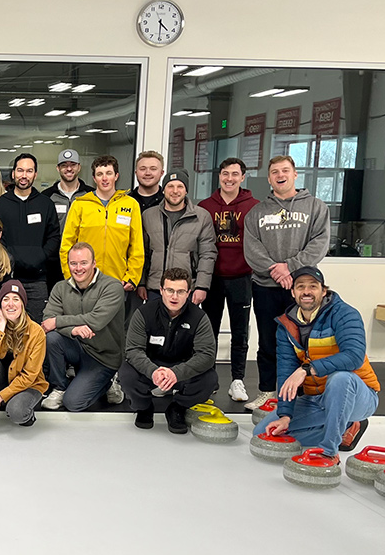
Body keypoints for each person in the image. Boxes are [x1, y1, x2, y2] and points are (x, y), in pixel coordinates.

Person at [253, 266, 380, 458]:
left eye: (313, 286)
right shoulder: (286, 325)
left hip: (358, 396)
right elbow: (287, 374)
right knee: (263, 434)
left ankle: (329, 452)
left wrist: (306, 369)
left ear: (324, 291)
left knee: (340, 379)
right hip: (317, 399)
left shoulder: (344, 314)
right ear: (293, 292)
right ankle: (345, 427)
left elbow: (354, 356)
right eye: (301, 286)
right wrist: (285, 416)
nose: (306, 291)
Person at [242, 154, 331, 410]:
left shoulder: (315, 207)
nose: (280, 176)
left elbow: (319, 244)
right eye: (275, 172)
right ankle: (268, 392)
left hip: (303, 289)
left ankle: (303, 396)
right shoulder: (257, 212)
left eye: (285, 171)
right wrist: (275, 270)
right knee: (268, 341)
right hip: (266, 286)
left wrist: (290, 268)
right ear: (269, 178)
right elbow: (252, 248)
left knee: (304, 341)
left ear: (295, 174)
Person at [61, 154, 144, 404]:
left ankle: (114, 380)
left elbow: (137, 245)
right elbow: (67, 244)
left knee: (118, 334)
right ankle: (83, 373)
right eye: (99, 174)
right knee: (83, 328)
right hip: (86, 282)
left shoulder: (130, 205)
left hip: (119, 283)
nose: (104, 178)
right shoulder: (81, 204)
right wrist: (71, 277)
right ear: (94, 177)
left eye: (109, 173)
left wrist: (132, 277)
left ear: (116, 176)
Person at [120, 267, 218, 433]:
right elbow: (133, 350)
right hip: (151, 367)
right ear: (161, 290)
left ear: (188, 293)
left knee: (209, 379)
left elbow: (206, 355)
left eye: (180, 291)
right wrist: (153, 371)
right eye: (170, 290)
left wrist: (176, 373)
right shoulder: (144, 313)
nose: (174, 296)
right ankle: (144, 407)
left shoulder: (199, 317)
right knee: (126, 373)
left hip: (182, 369)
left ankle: (177, 408)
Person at [198, 157, 259, 403]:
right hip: (211, 277)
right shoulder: (204, 206)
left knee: (239, 332)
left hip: (241, 278)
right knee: (208, 331)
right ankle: (209, 378)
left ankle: (237, 380)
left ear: (242, 177)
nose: (229, 178)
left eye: (235, 174)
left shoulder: (253, 206)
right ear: (219, 176)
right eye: (225, 174)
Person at [41, 242, 125, 412]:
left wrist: (58, 322)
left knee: (74, 403)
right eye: (73, 263)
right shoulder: (60, 288)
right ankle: (60, 387)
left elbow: (96, 321)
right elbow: (46, 322)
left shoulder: (112, 287)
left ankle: (109, 381)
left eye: (84, 263)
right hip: (77, 349)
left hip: (103, 358)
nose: (78, 268)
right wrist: (72, 330)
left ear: (94, 263)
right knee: (52, 338)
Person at [0, 153, 60, 320]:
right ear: (13, 173)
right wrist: (11, 259)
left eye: (29, 171)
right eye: (20, 170)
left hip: (38, 280)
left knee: (37, 328)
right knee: (7, 327)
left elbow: (54, 237)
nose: (24, 175)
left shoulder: (46, 204)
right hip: (8, 279)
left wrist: (40, 256)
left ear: (35, 174)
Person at [0, 279, 48, 437]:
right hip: (3, 379)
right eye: (6, 299)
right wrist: (2, 325)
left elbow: (30, 376)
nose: (11, 304)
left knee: (17, 413)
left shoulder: (36, 332)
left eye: (16, 299)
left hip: (29, 385)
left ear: (23, 304)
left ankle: (26, 412)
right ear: (0, 305)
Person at [139, 170, 217, 305]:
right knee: (155, 325)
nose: (175, 191)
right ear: (163, 190)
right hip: (155, 288)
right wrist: (141, 283)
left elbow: (208, 254)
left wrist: (201, 286)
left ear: (186, 190)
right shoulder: (148, 216)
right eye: (170, 186)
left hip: (186, 289)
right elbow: (142, 253)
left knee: (185, 326)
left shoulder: (202, 217)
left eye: (180, 186)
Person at [47, 148, 93, 230]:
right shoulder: (47, 196)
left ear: (79, 167)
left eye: (73, 165)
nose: (69, 169)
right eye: (64, 165)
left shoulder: (91, 195)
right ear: (58, 168)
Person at [130, 150, 166, 215]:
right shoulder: (125, 201)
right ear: (136, 173)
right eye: (143, 169)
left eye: (153, 169)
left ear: (161, 173)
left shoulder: (167, 203)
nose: (148, 173)